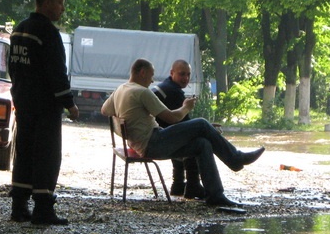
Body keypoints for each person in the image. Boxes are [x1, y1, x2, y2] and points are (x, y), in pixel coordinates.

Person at [101, 58, 264, 207]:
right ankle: (236, 158)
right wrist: (186, 107)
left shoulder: (121, 89)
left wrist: (127, 117)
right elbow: (172, 118)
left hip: (141, 143)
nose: (152, 80)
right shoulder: (142, 92)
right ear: (142, 73)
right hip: (152, 143)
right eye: (151, 75)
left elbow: (104, 110)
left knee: (202, 144)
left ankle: (215, 195)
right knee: (201, 123)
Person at [8, 0, 79, 225]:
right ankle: (43, 208)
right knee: (47, 156)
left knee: (24, 152)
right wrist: (69, 103)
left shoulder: (19, 30)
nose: (62, 8)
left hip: (23, 102)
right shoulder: (47, 32)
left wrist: (19, 91)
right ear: (46, 3)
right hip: (45, 105)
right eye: (59, 3)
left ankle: (19, 206)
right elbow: (56, 72)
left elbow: (13, 67)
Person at [152, 60, 205, 200]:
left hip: (158, 132)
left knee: (183, 135)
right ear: (172, 73)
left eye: (188, 74)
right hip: (160, 140)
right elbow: (185, 123)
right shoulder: (173, 92)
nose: (186, 78)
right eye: (182, 74)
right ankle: (193, 184)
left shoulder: (164, 87)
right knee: (198, 141)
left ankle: (178, 184)